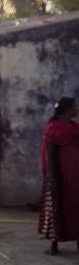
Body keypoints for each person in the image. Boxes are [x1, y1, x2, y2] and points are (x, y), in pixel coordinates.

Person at [39, 97, 79, 254]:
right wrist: (53, 178)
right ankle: (54, 245)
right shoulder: (53, 128)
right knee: (58, 208)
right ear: (67, 109)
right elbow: (49, 156)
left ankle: (72, 244)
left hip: (73, 176)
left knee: (73, 209)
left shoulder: (74, 128)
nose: (77, 109)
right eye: (75, 106)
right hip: (61, 175)